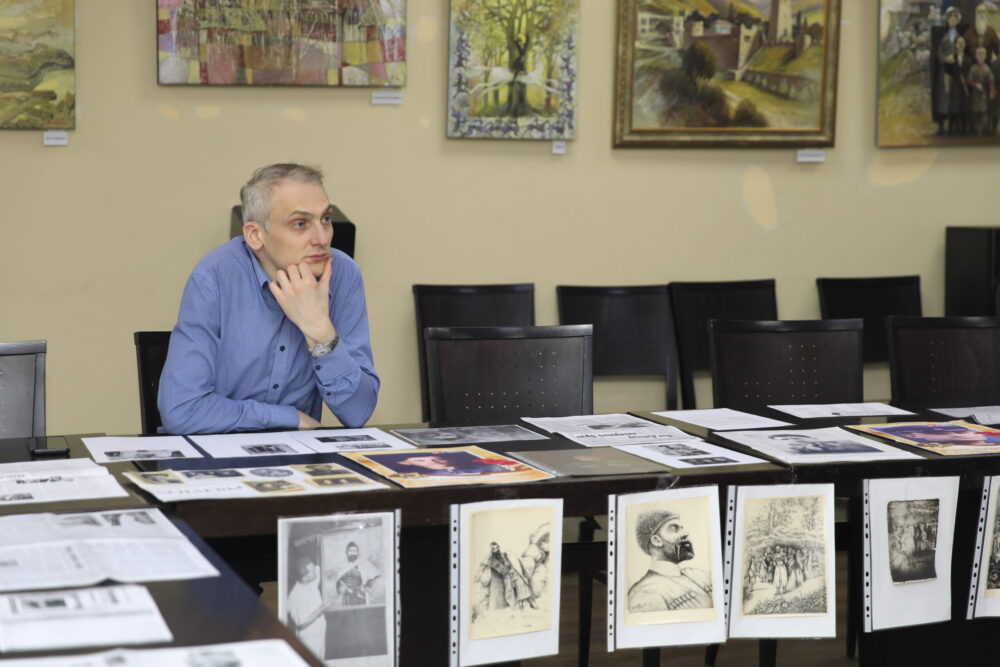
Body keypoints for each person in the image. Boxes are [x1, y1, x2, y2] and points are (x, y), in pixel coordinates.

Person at [158, 163, 379, 434]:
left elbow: (358, 413)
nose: (322, 238)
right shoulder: (214, 277)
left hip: (298, 455)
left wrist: (321, 332)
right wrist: (286, 417)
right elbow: (182, 410)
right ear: (255, 235)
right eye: (301, 224)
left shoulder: (343, 275)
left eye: (325, 219)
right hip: (217, 451)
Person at [626, 509, 713, 612]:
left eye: (682, 528)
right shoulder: (644, 593)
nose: (685, 533)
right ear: (656, 541)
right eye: (674, 529)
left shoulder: (699, 574)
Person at [286, 554, 328, 660]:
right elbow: (302, 623)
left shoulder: (310, 583)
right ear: (304, 577)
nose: (316, 572)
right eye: (312, 571)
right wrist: (321, 608)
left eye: (313, 568)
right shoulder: (295, 595)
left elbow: (317, 570)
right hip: (309, 639)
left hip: (319, 634)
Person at [329, 541, 382, 607]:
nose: (352, 553)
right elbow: (338, 581)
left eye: (354, 551)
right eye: (350, 551)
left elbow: (375, 577)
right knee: (347, 612)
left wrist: (366, 587)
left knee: (361, 612)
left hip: (360, 595)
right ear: (346, 552)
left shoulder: (363, 564)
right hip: (347, 596)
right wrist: (342, 587)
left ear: (357, 552)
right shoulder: (342, 566)